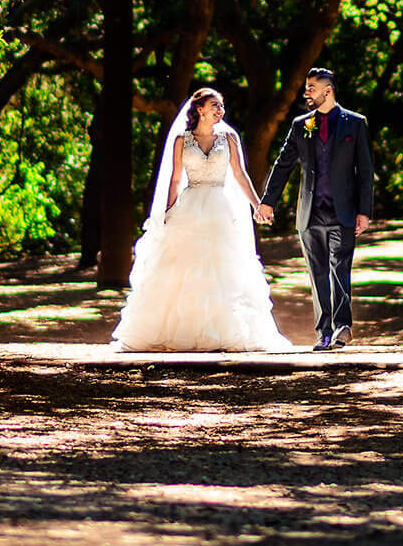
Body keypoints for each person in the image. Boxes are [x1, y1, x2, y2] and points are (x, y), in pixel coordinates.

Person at [110, 87, 293, 353]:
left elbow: (240, 175)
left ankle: (224, 332)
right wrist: (167, 213)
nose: (221, 110)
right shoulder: (182, 141)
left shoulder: (229, 138)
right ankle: (182, 332)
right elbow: (174, 180)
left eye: (221, 106)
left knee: (225, 270)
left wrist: (259, 205)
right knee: (184, 270)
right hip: (190, 206)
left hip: (220, 209)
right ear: (200, 110)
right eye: (215, 105)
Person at [258, 67, 373, 350]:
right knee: (318, 272)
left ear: (328, 90)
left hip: (343, 211)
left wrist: (364, 210)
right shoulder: (300, 125)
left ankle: (342, 327)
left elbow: (365, 171)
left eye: (311, 87)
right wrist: (268, 201)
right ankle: (324, 332)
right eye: (306, 86)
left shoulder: (355, 124)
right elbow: (283, 164)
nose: (306, 91)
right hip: (309, 213)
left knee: (340, 269)